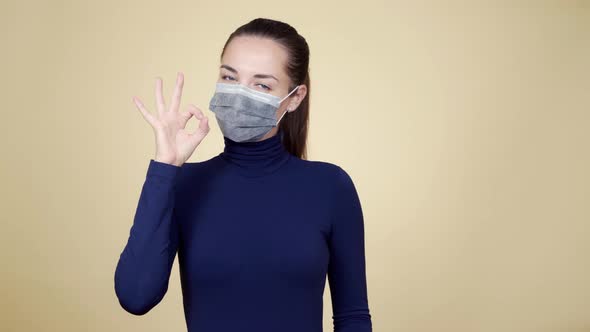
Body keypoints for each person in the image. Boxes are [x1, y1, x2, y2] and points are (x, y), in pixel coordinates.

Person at [114, 17, 373, 332]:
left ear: (295, 97)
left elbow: (353, 317)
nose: (239, 95)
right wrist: (165, 168)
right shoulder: (184, 184)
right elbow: (135, 296)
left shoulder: (331, 187)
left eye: (261, 84)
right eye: (229, 77)